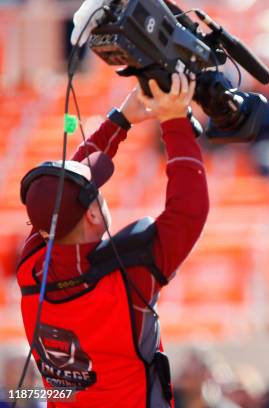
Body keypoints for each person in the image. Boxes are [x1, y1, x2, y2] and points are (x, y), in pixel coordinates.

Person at [16, 72, 208, 407]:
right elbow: (189, 210)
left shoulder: (30, 265)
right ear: (91, 215)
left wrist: (121, 119)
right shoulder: (129, 279)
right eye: (97, 195)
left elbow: (62, 190)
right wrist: (174, 117)